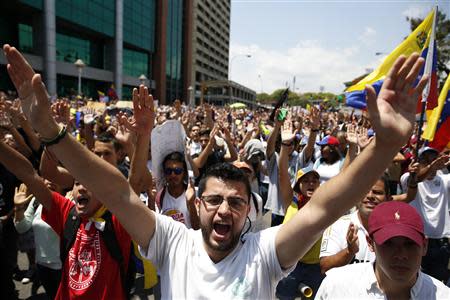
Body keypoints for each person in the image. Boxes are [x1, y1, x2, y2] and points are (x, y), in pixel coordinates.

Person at [4, 44, 429, 299]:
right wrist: (50, 132)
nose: (224, 210)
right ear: (197, 202)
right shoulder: (171, 242)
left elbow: (324, 206)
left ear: (249, 211)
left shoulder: (264, 254)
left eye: (236, 202)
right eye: (214, 200)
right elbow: (116, 193)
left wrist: (385, 145)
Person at [316, 201, 450, 299]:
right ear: (370, 243)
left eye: (410, 244)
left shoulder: (442, 296)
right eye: (388, 243)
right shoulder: (336, 286)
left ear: (424, 246)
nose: (401, 254)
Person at [400, 146, 450, 282]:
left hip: (441, 243)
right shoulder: (408, 179)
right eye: (426, 161)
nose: (431, 163)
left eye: (434, 160)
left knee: (438, 286)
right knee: (414, 283)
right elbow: (415, 181)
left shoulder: (445, 181)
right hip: (416, 240)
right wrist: (431, 168)